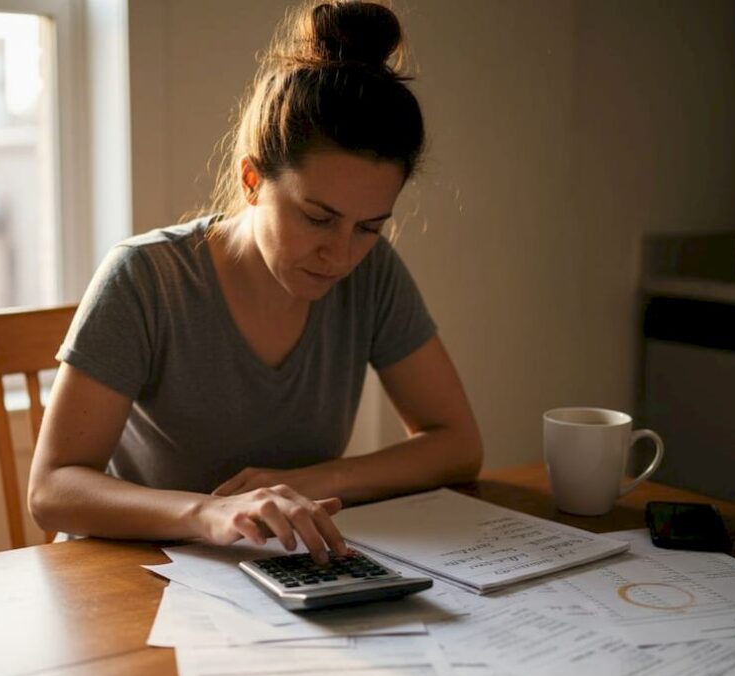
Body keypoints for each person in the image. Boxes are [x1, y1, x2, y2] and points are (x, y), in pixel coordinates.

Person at [28, 0, 482, 564]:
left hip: (278, 575)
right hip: (127, 579)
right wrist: (209, 513)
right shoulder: (146, 278)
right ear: (251, 180)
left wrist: (309, 482)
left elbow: (457, 445)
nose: (340, 256)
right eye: (317, 217)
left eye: (369, 227)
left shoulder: (373, 274)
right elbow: (52, 490)